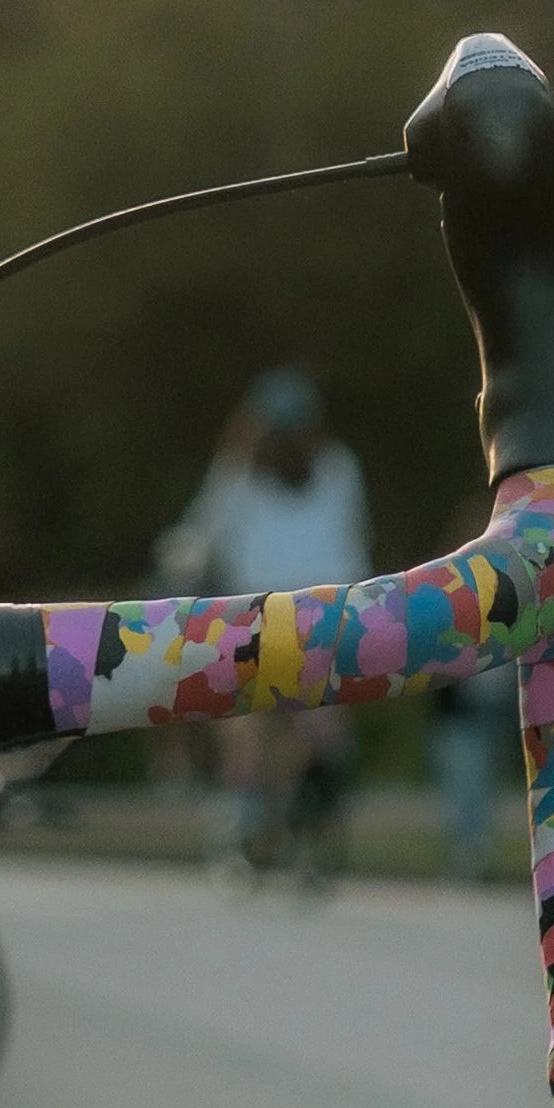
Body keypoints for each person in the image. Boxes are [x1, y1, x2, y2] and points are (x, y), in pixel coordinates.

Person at [157, 368, 370, 881]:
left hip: (260, 612)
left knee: (252, 725)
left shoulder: (241, 472)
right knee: (312, 723)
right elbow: (352, 539)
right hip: (326, 612)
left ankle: (247, 823)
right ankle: (309, 817)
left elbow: (205, 539)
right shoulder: (334, 467)